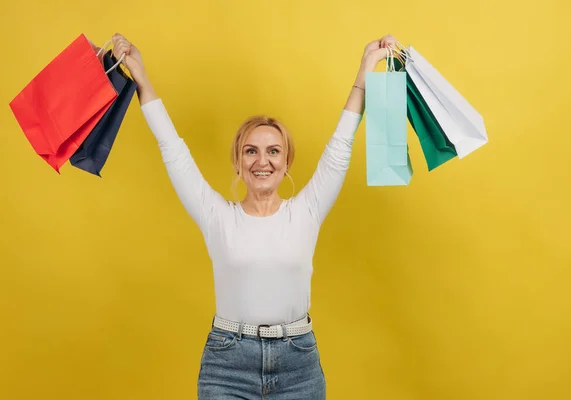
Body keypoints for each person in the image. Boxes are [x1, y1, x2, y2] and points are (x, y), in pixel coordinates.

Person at [111, 32, 399, 399]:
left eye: (273, 151)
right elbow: (173, 149)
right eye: (251, 151)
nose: (262, 161)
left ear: (286, 163)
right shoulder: (217, 216)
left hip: (298, 364)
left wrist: (365, 68)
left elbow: (341, 146)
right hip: (227, 365)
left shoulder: (306, 211)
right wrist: (141, 78)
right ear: (237, 162)